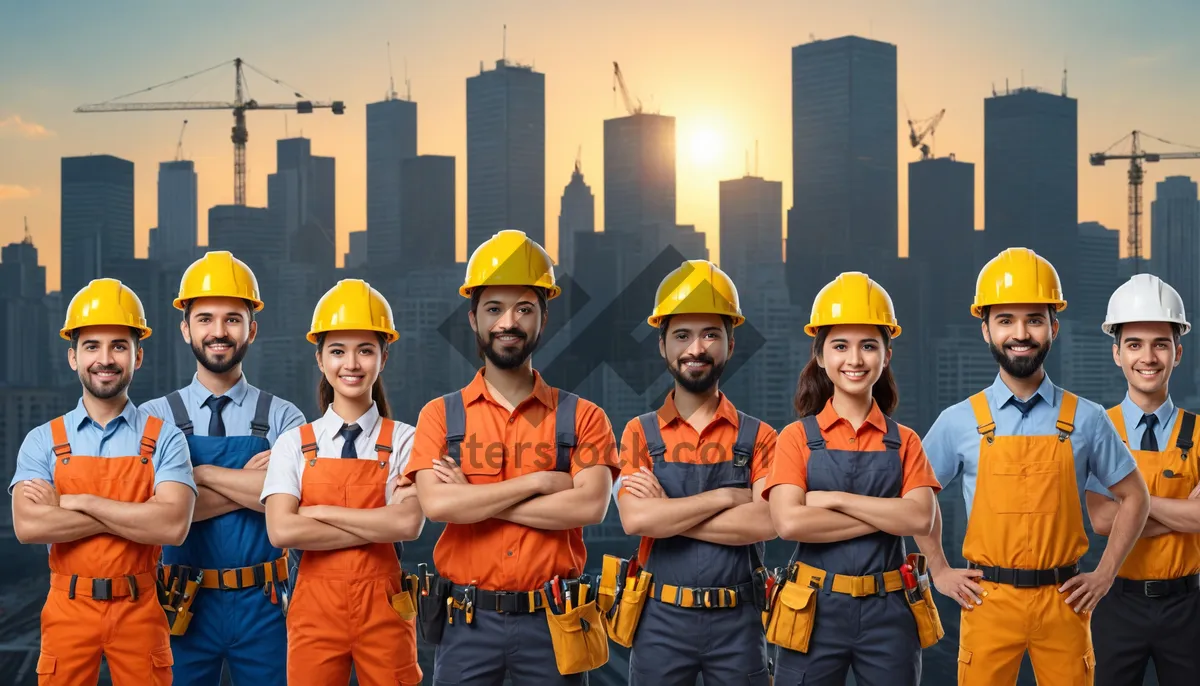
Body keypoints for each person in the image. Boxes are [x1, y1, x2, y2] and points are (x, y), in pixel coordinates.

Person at [915, 247, 1150, 685]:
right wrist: (940, 570)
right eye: (1005, 320)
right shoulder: (958, 420)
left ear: (1053, 328)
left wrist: (1104, 575)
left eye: (1034, 320)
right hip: (987, 602)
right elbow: (917, 497)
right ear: (985, 330)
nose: (1020, 333)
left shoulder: (1088, 418)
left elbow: (1135, 495)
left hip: (1065, 602)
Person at [406, 229, 619, 685]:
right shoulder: (439, 416)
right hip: (466, 624)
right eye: (494, 309)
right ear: (473, 319)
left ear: (544, 318)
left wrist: (476, 500)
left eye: (524, 309)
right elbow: (439, 506)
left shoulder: (584, 417)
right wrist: (539, 482)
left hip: (555, 623)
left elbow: (589, 507)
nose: (509, 322)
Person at [10, 278, 197, 685]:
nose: (105, 359)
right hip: (67, 607)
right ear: (73, 357)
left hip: (141, 606)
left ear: (138, 356)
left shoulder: (165, 437)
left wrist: (75, 502)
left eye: (119, 346)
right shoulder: (42, 440)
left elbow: (171, 527)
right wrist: (137, 513)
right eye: (92, 346)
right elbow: (29, 527)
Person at [763, 271, 941, 685]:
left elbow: (920, 521)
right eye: (840, 346)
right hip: (810, 608)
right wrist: (886, 515)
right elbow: (788, 523)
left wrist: (832, 499)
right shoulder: (796, 438)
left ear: (886, 354)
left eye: (868, 346)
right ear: (821, 356)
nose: (855, 360)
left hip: (890, 612)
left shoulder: (906, 441)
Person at [142, 251, 306, 686]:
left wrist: (197, 475)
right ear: (185, 329)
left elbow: (291, 508)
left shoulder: (286, 417)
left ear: (252, 328)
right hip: (179, 603)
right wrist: (256, 487)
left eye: (233, 319)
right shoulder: (152, 418)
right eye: (205, 319)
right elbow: (155, 516)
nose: (219, 332)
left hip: (267, 605)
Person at [614, 260, 778, 685]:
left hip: (740, 624)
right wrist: (726, 497)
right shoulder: (638, 432)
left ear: (730, 344)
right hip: (658, 622)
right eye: (682, 336)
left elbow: (767, 520)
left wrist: (668, 514)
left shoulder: (760, 436)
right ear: (662, 346)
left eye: (710, 334)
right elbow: (636, 519)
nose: (696, 349)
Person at [261, 279, 425, 686]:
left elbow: (407, 525)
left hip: (385, 612)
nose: (351, 364)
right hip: (313, 615)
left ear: (383, 357)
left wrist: (317, 513)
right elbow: (282, 530)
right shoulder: (293, 444)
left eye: (365, 350)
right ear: (319, 359)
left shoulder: (406, 439)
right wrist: (375, 521)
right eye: (337, 351)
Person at [1085, 273, 1200, 685]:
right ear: (1117, 354)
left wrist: (1131, 504)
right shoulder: (1097, 429)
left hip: (1188, 606)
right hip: (1117, 601)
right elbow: (1100, 520)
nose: (1147, 357)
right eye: (1134, 344)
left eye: (1160, 344)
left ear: (1178, 353)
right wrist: (1183, 509)